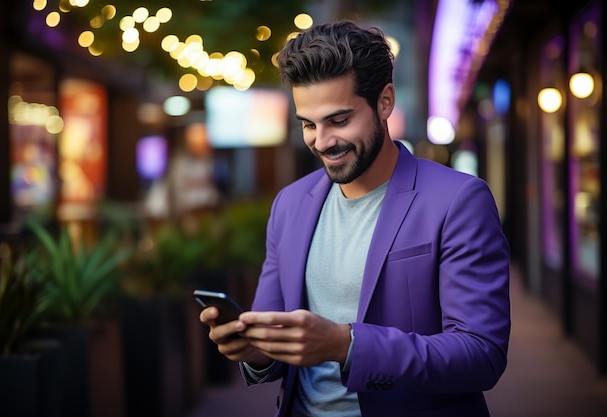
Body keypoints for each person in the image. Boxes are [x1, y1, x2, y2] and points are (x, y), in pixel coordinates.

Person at [199, 20, 510, 417]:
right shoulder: (290, 205)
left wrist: (346, 345)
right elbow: (273, 340)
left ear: (385, 102)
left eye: (339, 120)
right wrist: (254, 350)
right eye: (308, 124)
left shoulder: (458, 200)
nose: (322, 141)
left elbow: (481, 354)